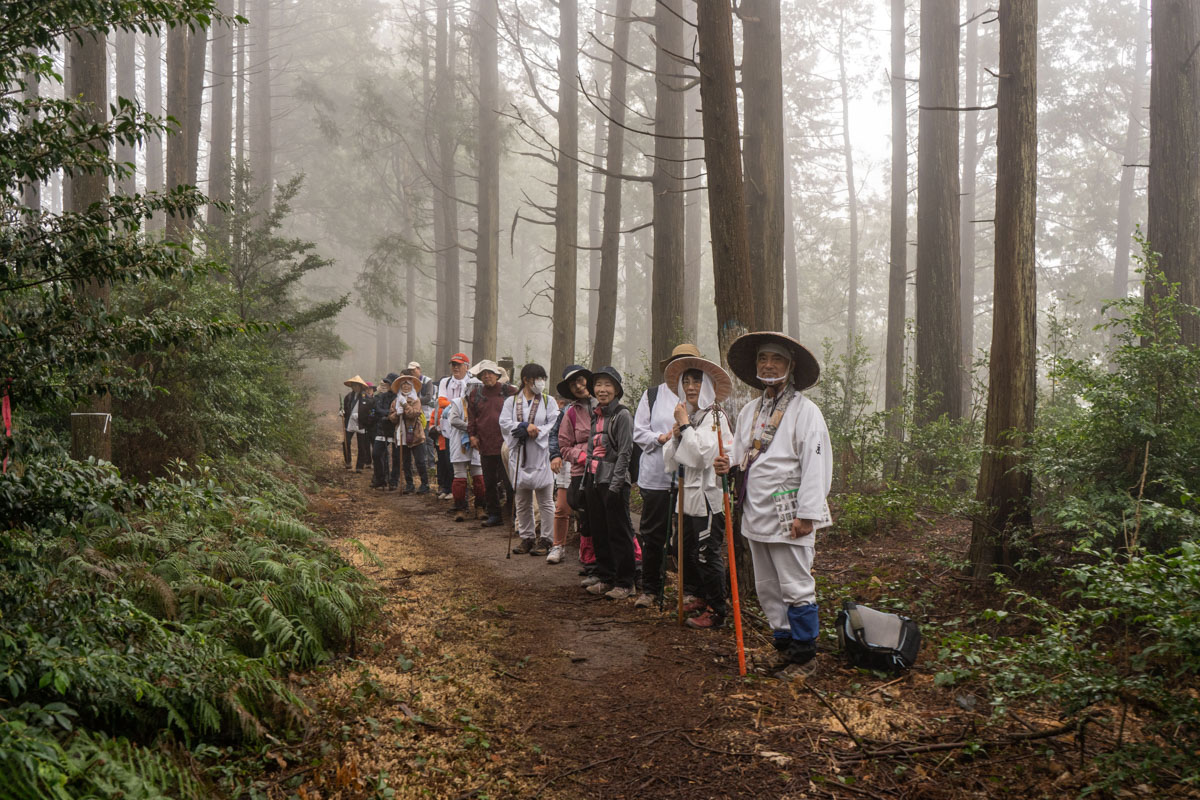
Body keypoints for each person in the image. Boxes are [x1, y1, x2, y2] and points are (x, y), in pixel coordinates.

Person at [715, 332, 833, 675]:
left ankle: (805, 656)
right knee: (767, 585)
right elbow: (740, 456)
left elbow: (816, 464)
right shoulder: (750, 410)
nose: (768, 365)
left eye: (776, 359)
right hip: (755, 511)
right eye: (763, 359)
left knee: (795, 584)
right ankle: (783, 645)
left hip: (790, 513)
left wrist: (807, 514)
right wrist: (726, 464)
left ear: (790, 366)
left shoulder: (806, 412)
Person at [658, 357, 735, 630]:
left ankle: (717, 609)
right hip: (685, 495)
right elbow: (670, 460)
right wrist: (678, 433)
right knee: (686, 550)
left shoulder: (715, 416)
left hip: (707, 496)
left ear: (708, 385)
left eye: (697, 381)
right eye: (687, 381)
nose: (691, 387)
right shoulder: (688, 416)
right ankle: (701, 596)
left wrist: (684, 427)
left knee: (706, 552)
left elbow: (702, 456)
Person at [633, 344, 701, 608]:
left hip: (690, 478)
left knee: (688, 535)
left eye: (689, 365)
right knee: (653, 533)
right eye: (678, 364)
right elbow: (638, 432)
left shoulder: (702, 397)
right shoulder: (652, 395)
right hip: (656, 475)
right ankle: (650, 588)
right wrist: (661, 437)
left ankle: (690, 591)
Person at [583, 367, 637, 599]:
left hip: (614, 483)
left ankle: (626, 583)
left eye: (607, 385)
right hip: (595, 480)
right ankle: (606, 578)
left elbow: (626, 452)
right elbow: (590, 448)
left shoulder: (622, 415)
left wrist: (615, 486)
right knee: (600, 531)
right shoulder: (596, 414)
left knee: (619, 532)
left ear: (616, 389)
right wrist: (587, 480)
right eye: (598, 385)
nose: (602, 390)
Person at [500, 364, 558, 556]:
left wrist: (537, 430)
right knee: (522, 500)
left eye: (543, 379)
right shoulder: (511, 401)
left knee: (546, 500)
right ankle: (527, 537)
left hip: (541, 454)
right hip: (520, 453)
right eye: (537, 379)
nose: (540, 383)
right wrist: (523, 426)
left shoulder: (549, 401)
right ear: (526, 380)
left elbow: (554, 424)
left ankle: (547, 539)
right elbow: (505, 422)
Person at [549, 365, 593, 567]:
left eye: (581, 380)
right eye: (572, 384)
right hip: (573, 464)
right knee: (563, 507)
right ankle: (558, 545)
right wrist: (555, 455)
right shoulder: (568, 410)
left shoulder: (604, 403)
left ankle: (590, 554)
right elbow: (555, 435)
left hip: (600, 467)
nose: (578, 386)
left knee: (591, 511)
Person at [466, 360, 518, 528]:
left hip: (507, 444)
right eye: (483, 374)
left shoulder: (510, 391)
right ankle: (495, 514)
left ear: (497, 375)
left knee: (509, 481)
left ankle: (514, 514)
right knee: (489, 482)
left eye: (490, 373)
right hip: (485, 443)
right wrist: (472, 436)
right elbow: (472, 418)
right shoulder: (475, 394)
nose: (487, 376)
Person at [433, 353, 472, 500]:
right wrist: (457, 405)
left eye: (459, 365)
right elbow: (441, 401)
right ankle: (449, 488)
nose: (455, 368)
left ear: (466, 366)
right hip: (449, 425)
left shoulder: (471, 381)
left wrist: (454, 405)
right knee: (448, 457)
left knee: (470, 460)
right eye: (453, 365)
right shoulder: (446, 382)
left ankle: (468, 491)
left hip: (467, 423)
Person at [445, 382, 485, 522]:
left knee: (479, 478)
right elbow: (454, 420)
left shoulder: (483, 405)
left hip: (478, 444)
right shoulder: (457, 403)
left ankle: (480, 507)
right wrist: (471, 428)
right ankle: (460, 508)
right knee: (460, 478)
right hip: (459, 444)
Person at [393, 374, 430, 494]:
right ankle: (409, 484)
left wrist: (404, 405)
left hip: (415, 433)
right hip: (401, 434)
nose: (405, 387)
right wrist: (396, 414)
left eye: (408, 385)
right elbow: (391, 417)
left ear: (412, 386)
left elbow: (414, 413)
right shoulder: (396, 400)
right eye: (403, 385)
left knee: (419, 460)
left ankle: (425, 484)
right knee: (405, 461)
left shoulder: (416, 400)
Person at [370, 373, 401, 490]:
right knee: (376, 454)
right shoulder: (382, 396)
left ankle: (394, 480)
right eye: (386, 383)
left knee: (396, 456)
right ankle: (381, 479)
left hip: (396, 429)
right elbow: (377, 409)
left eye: (389, 383)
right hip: (382, 429)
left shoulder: (400, 397)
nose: (387, 385)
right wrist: (389, 414)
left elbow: (399, 411)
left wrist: (389, 414)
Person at [340, 375, 371, 472]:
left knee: (361, 445)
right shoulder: (348, 397)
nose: (355, 387)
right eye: (353, 385)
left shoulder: (366, 397)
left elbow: (370, 410)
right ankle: (348, 461)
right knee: (346, 441)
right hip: (350, 422)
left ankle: (359, 466)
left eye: (357, 385)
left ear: (361, 386)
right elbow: (345, 408)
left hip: (361, 423)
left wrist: (361, 415)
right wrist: (342, 412)